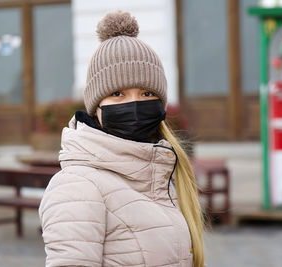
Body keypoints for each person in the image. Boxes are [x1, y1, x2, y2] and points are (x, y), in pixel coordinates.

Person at [39, 10, 205, 267]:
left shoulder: (162, 176)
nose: (135, 104)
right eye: (117, 93)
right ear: (96, 107)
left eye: (147, 92)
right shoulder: (77, 187)